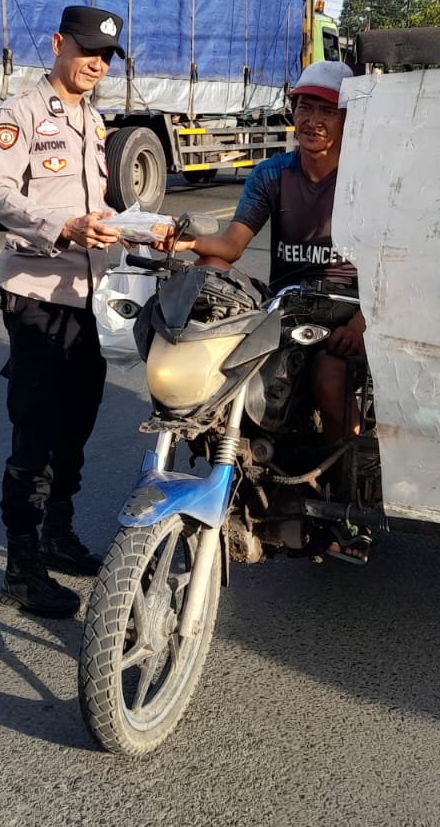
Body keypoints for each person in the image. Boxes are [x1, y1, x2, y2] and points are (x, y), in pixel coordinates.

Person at [167, 60, 369, 559]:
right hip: (287, 307)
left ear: (349, 119)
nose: (313, 120)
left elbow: (396, 257)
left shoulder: (370, 178)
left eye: (327, 110)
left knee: (328, 380)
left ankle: (348, 501)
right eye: (304, 107)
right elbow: (231, 246)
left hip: (348, 309)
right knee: (235, 376)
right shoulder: (272, 174)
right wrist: (181, 244)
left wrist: (368, 320)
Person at [0, 5, 126, 617]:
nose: (95, 64)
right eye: (86, 51)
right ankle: (21, 571)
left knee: (77, 426)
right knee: (36, 434)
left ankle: (59, 536)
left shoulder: (95, 121)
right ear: (57, 45)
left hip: (89, 302)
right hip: (38, 298)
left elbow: (97, 203)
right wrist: (63, 226)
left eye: (106, 57)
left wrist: (135, 233)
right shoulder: (21, 114)